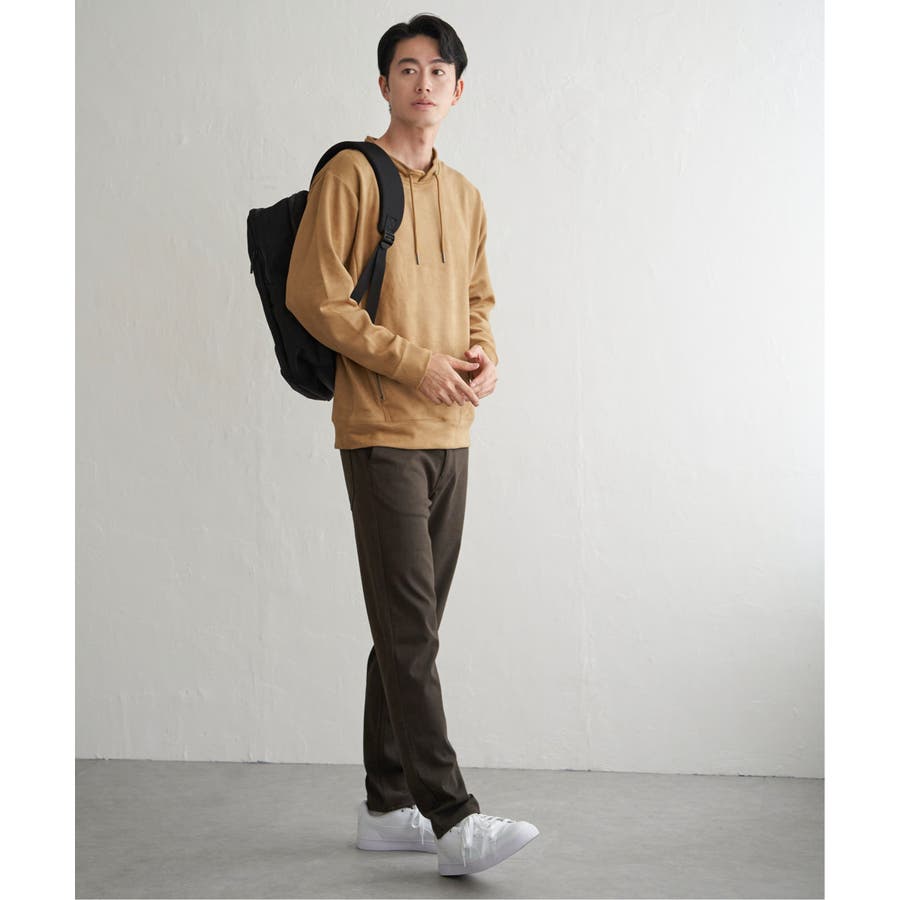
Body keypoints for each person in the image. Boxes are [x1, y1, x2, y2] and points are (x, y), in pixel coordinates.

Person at [285, 13, 539, 877]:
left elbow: (478, 300)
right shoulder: (352, 175)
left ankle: (387, 804)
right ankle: (453, 818)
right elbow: (316, 296)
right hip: (381, 430)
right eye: (406, 67)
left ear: (457, 90)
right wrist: (413, 363)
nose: (422, 82)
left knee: (409, 628)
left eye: (438, 70)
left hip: (451, 431)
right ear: (384, 84)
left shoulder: (465, 195)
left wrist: (483, 356)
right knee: (410, 632)